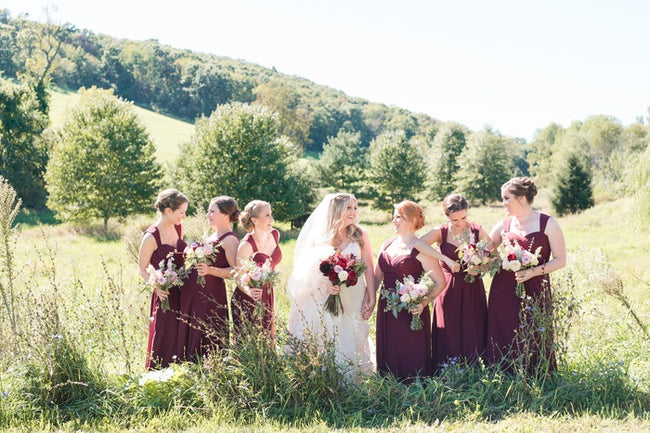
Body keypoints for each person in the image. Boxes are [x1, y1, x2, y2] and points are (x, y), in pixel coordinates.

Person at [287, 193, 376, 379]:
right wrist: (326, 284)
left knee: (351, 331)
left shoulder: (360, 234)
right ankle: (325, 377)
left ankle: (353, 377)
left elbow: (368, 266)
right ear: (337, 210)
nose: (353, 212)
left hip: (354, 294)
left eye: (355, 207)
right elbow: (306, 270)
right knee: (328, 331)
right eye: (348, 208)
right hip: (325, 294)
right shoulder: (320, 236)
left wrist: (371, 295)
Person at [486, 177, 566, 371]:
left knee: (535, 328)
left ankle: (537, 372)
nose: (503, 203)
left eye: (506, 198)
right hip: (504, 288)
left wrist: (533, 271)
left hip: (535, 286)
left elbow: (560, 260)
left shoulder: (548, 224)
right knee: (504, 327)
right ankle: (503, 371)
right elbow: (486, 253)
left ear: (521, 198)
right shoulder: (501, 226)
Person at [374, 200, 447, 380]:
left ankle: (413, 383)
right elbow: (377, 277)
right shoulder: (387, 244)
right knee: (389, 345)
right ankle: (388, 381)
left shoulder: (421, 249)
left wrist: (422, 303)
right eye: (394, 217)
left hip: (411, 309)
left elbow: (440, 282)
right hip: (387, 306)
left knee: (408, 350)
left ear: (412, 220)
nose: (394, 221)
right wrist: (369, 300)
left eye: (399, 217)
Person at [420, 194, 490, 369]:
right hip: (448, 287)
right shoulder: (441, 232)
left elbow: (495, 258)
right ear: (447, 217)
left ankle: (472, 369)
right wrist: (446, 259)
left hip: (473, 287)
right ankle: (446, 369)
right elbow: (419, 244)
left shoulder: (477, 230)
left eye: (464, 217)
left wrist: (480, 268)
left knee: (472, 326)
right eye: (455, 219)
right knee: (448, 328)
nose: (460, 223)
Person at [178, 196, 240, 361]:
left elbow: (236, 271)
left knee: (208, 332)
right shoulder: (210, 236)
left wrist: (211, 270)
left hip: (211, 295)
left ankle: (210, 365)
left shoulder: (230, 239)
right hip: (195, 294)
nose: (208, 215)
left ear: (225, 215)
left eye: (212, 211)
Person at [138, 189, 188, 370]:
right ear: (168, 211)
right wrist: (156, 285)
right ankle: (158, 374)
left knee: (181, 332)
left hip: (183, 291)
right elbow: (142, 268)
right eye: (181, 212)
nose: (184, 216)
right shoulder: (151, 236)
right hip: (164, 293)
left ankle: (180, 371)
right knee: (164, 333)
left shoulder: (178, 228)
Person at [231, 200, 282, 340]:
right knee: (250, 339)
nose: (272, 219)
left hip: (267, 292)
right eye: (267, 215)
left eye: (271, 214)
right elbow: (238, 277)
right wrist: (249, 291)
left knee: (267, 336)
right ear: (254, 220)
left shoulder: (275, 235)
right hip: (249, 297)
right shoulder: (246, 245)